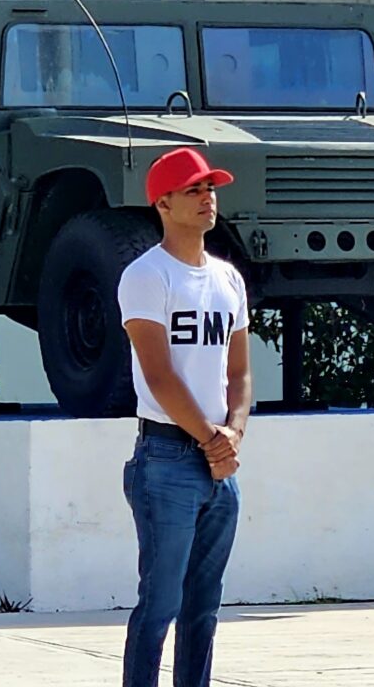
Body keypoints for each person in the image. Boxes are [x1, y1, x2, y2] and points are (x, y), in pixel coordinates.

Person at [117, 147, 252, 687]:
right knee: (160, 605)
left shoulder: (228, 279)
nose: (206, 198)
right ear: (164, 203)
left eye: (210, 188)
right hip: (169, 457)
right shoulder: (146, 275)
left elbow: (239, 371)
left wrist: (232, 434)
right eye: (193, 189)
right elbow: (159, 374)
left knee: (205, 609)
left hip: (218, 461)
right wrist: (209, 438)